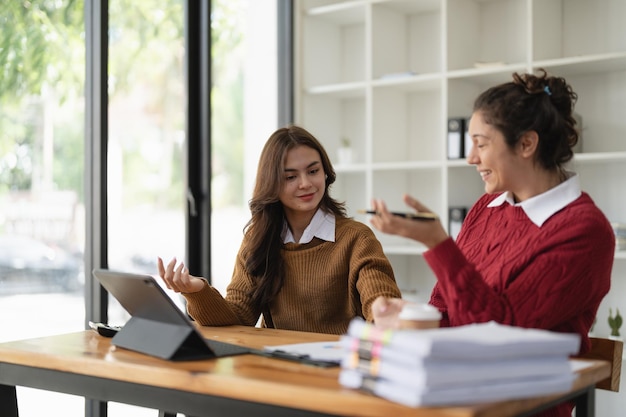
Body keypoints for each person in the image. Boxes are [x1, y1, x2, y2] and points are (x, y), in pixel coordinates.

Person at [369, 70, 615, 350]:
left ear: (526, 144)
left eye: (481, 144)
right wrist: (411, 318)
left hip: (532, 391)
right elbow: (453, 315)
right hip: (465, 378)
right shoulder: (487, 207)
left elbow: (498, 334)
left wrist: (437, 243)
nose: (471, 158)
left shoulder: (585, 231)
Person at [158, 124, 401, 335]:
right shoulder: (258, 238)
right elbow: (239, 316)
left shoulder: (356, 237)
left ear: (326, 173)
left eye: (313, 171)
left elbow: (378, 295)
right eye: (290, 177)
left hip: (339, 367)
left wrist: (383, 309)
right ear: (271, 183)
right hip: (277, 365)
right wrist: (197, 291)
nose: (305, 183)